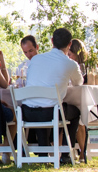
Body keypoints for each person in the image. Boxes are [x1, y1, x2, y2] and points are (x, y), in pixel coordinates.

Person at [21, 27, 84, 164]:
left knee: (44, 106)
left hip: (27, 112)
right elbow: (79, 82)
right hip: (50, 113)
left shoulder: (36, 60)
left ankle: (43, 154)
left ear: (52, 41)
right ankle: (66, 154)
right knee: (75, 111)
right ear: (69, 45)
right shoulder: (70, 63)